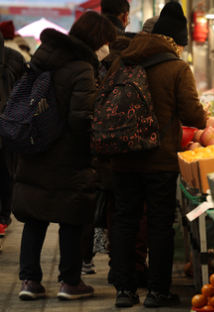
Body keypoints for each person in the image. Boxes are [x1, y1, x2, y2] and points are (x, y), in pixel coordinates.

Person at [12, 11, 116, 301]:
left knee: (34, 216)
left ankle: (29, 281)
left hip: (34, 150)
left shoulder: (42, 59)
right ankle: (70, 282)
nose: (107, 47)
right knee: (72, 217)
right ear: (97, 39)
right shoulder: (82, 68)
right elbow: (82, 120)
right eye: (106, 41)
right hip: (68, 156)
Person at [108, 2, 206, 308]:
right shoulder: (177, 68)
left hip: (123, 156)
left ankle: (124, 291)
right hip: (160, 160)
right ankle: (157, 292)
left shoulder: (122, 61)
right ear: (174, 40)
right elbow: (193, 115)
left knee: (125, 221)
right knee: (160, 224)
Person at [0, 32, 26, 238]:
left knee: (7, 173)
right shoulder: (16, 58)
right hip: (10, 126)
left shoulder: (14, 59)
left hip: (8, 127)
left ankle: (2, 217)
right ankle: (3, 217)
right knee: (7, 173)